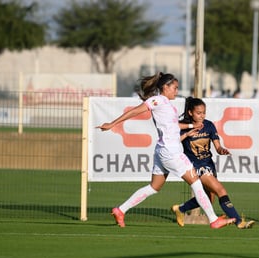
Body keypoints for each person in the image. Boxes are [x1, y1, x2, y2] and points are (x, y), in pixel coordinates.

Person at [97, 72, 236, 229]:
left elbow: (173, 125)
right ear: (165, 87)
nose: (176, 91)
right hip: (171, 152)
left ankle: (120, 210)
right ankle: (213, 220)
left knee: (153, 187)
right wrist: (112, 123)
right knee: (196, 183)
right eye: (174, 88)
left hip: (162, 150)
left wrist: (191, 127)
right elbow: (136, 110)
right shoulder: (157, 100)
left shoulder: (167, 105)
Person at [171, 97, 255, 229]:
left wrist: (221, 150)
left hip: (209, 164)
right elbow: (172, 142)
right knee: (220, 190)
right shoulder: (184, 127)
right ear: (190, 113)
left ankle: (180, 209)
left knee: (209, 199)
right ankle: (239, 221)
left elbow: (217, 146)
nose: (202, 115)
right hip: (196, 166)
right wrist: (186, 135)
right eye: (199, 113)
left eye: (204, 112)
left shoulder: (209, 125)